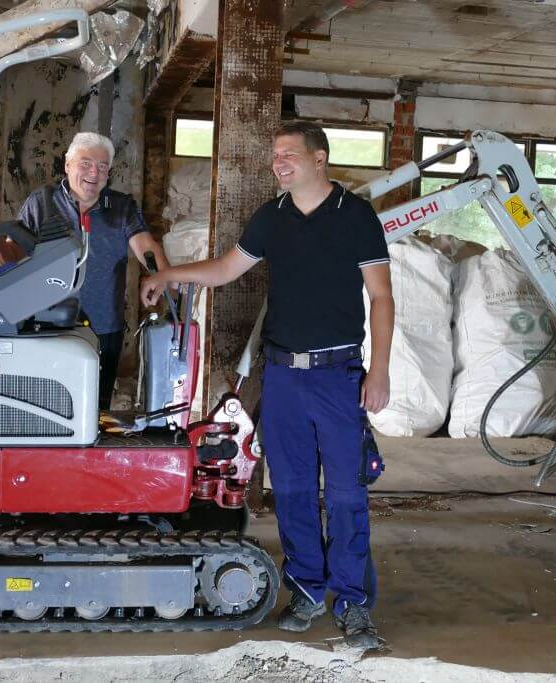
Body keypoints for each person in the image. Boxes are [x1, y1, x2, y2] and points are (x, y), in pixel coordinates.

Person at [141, 121, 393, 649]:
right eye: (275, 155)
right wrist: (171, 275)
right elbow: (228, 269)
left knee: (346, 493)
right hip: (282, 376)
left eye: (289, 154)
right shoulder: (271, 218)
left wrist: (380, 370)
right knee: (294, 491)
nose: (279, 162)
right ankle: (305, 590)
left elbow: (382, 298)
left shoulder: (356, 217)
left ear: (319, 158)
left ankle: (352, 604)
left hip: (337, 374)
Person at [0, 132, 170, 410]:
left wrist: (161, 275)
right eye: (85, 163)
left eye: (101, 167)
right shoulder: (43, 201)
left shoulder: (121, 207)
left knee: (95, 409)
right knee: (49, 407)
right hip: (48, 326)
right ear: (67, 165)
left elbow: (145, 246)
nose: (93, 173)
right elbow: (13, 259)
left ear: (109, 173)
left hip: (103, 328)